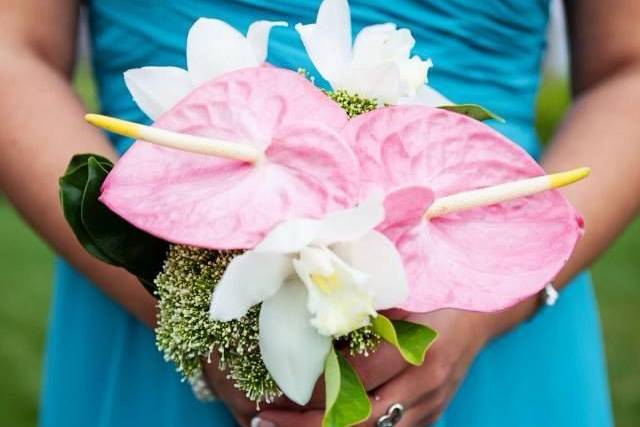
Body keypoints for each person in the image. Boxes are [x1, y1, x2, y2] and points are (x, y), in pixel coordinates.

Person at [1, 1, 638, 426]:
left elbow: (628, 68)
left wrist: (491, 308)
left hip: (489, 286)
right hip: (147, 300)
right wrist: (181, 301)